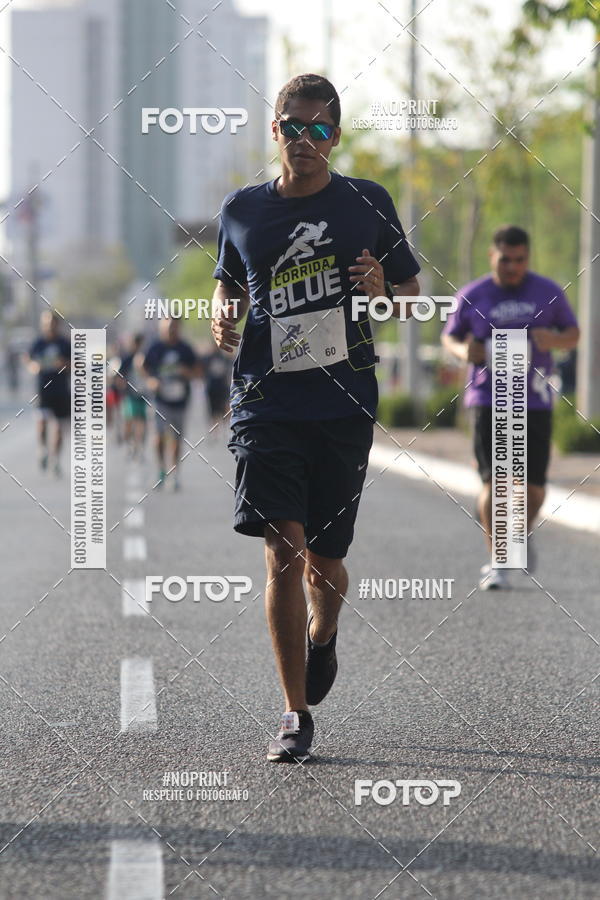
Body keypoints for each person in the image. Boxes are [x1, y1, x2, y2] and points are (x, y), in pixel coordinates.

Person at [211, 73, 420, 762]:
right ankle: (294, 715)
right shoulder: (241, 210)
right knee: (283, 550)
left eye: (319, 129)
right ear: (275, 130)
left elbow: (408, 299)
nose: (304, 140)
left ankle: (323, 633)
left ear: (336, 135)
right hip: (266, 403)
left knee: (325, 566)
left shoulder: (367, 202)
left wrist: (381, 289)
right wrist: (221, 308)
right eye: (292, 127)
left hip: (342, 403)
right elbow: (228, 279)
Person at [442, 225, 579, 590]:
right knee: (498, 482)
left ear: (527, 259)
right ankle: (498, 559)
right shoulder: (473, 295)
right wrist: (462, 352)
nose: (513, 267)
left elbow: (573, 332)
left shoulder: (547, 292)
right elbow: (450, 336)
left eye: (519, 261)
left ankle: (517, 533)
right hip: (489, 398)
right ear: (493, 256)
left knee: (533, 489)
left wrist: (554, 339)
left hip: (535, 399)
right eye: (505, 260)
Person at [143, 317, 196, 489]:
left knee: (176, 439)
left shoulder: (185, 348)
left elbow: (199, 370)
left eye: (173, 327)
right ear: (161, 328)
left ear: (178, 328)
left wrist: (186, 372)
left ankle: (174, 474)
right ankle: (160, 470)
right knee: (158, 437)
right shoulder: (155, 347)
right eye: (166, 328)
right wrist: (150, 380)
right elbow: (140, 363)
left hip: (180, 400)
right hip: (160, 399)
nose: (169, 331)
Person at [27, 310, 71, 476]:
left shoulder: (64, 343)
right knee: (42, 422)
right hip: (43, 389)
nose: (48, 326)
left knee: (59, 427)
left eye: (51, 323)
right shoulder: (38, 343)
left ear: (56, 324)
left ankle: (56, 459)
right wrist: (33, 366)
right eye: (45, 323)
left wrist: (65, 364)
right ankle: (43, 449)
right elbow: (28, 359)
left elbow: (76, 364)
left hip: (60, 390)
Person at [119, 333, 148, 459]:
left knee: (141, 421)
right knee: (129, 421)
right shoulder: (127, 358)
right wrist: (122, 385)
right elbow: (120, 376)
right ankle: (129, 444)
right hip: (129, 394)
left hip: (143, 394)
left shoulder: (145, 358)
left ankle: (139, 446)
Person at [199, 344, 231, 436]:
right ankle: (214, 430)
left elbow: (229, 368)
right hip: (211, 387)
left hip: (222, 387)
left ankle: (226, 427)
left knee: (225, 407)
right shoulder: (208, 358)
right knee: (213, 410)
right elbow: (201, 368)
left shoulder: (223, 357)